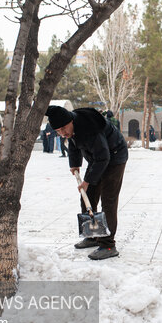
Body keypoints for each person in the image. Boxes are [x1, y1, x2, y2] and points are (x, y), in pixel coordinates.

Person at [45, 105, 128, 260]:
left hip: (115, 156)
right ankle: (92, 235)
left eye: (64, 128)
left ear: (71, 121)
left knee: (108, 200)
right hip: (96, 158)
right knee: (87, 196)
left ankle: (107, 244)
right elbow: (73, 143)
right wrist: (74, 164)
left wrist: (88, 180)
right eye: (58, 131)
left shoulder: (90, 127)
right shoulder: (72, 127)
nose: (63, 133)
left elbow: (104, 157)